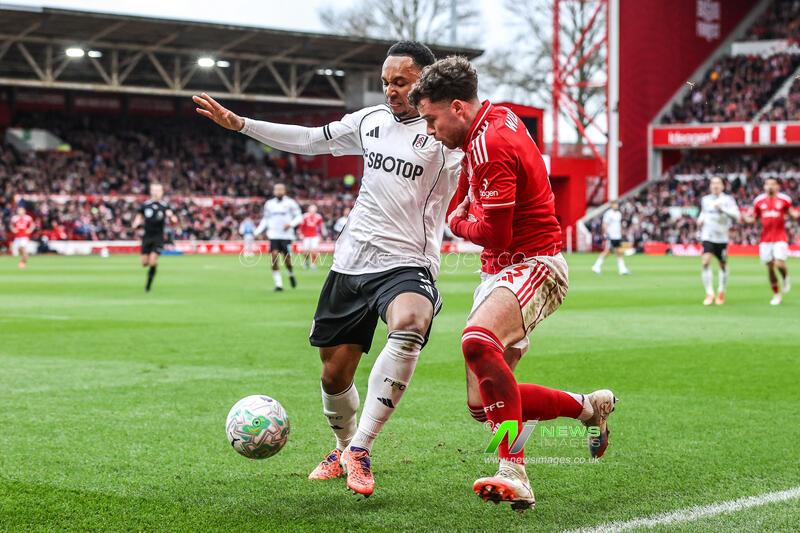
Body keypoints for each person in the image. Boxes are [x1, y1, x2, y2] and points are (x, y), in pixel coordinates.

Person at [193, 41, 462, 497]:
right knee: (334, 376)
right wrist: (241, 125)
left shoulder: (447, 135)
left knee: (412, 321)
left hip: (407, 260)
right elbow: (310, 140)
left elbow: (495, 158)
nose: (391, 91)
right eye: (385, 82)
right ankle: (342, 449)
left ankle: (361, 447)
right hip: (352, 261)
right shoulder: (368, 122)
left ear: (424, 82)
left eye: (401, 82)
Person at [410, 56, 615, 511]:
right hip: (500, 270)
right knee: (484, 404)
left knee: (477, 341)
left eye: (431, 118)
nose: (429, 130)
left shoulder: (493, 142)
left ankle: (514, 471)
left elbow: (493, 233)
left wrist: (454, 222)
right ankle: (587, 407)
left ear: (458, 107)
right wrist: (463, 210)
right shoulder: (492, 121)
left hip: (535, 264)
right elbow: (470, 186)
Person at [744, 177, 798, 305]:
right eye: (767, 184)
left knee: (779, 263)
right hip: (765, 239)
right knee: (770, 267)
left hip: (780, 237)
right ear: (764, 186)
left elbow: (793, 214)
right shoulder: (758, 201)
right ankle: (777, 294)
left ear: (778, 186)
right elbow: (754, 219)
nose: (770, 186)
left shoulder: (784, 199)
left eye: (773, 184)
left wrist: (795, 215)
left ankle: (785, 277)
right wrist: (746, 219)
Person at [697, 177, 740, 305]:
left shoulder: (728, 200)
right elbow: (704, 213)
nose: (715, 186)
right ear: (710, 186)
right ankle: (709, 293)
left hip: (722, 237)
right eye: (713, 183)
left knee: (722, 264)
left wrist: (723, 209)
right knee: (705, 262)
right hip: (708, 236)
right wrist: (700, 219)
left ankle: (721, 291)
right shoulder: (705, 200)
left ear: (722, 186)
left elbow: (737, 216)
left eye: (718, 183)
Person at [254, 183, 302, 291]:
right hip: (274, 235)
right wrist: (257, 231)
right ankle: (278, 284)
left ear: (284, 191)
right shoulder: (269, 204)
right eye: (277, 189)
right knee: (274, 258)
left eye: (281, 189)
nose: (279, 191)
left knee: (287, 260)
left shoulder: (290, 203)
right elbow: (265, 219)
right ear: (274, 191)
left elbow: (299, 216)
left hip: (286, 236)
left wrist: (291, 224)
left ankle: (291, 274)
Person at [131, 183, 177, 292]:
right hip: (147, 237)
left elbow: (172, 216)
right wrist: (135, 224)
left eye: (158, 190)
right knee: (144, 263)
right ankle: (153, 267)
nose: (156, 192)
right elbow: (139, 217)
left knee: (152, 261)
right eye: (154, 190)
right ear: (151, 192)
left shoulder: (164, 206)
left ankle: (148, 286)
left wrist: (172, 218)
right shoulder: (145, 205)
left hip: (158, 237)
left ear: (162, 192)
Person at [591, 201, 630, 275]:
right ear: (612, 205)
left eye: (617, 204)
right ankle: (596, 266)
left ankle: (622, 269)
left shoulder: (619, 214)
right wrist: (606, 233)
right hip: (611, 236)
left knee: (618, 252)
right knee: (607, 251)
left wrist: (621, 233)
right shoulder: (608, 213)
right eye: (615, 204)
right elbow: (604, 224)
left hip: (617, 236)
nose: (616, 206)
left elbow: (618, 225)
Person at [299, 204, 327, 270]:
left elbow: (320, 227)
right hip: (306, 236)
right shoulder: (305, 216)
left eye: (314, 210)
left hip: (315, 236)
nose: (312, 211)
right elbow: (302, 226)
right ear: (308, 210)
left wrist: (321, 235)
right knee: (306, 251)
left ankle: (313, 264)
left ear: (316, 210)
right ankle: (306, 262)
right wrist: (301, 233)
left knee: (314, 250)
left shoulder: (318, 217)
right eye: (311, 209)